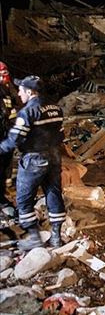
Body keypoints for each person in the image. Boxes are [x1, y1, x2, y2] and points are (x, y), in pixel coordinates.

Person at [0, 76, 65, 250]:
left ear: (30, 92)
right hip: (55, 157)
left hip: (34, 159)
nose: (19, 93)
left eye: (21, 90)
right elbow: (61, 134)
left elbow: (15, 139)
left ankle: (34, 237)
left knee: (24, 199)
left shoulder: (28, 112)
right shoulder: (55, 108)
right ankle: (56, 237)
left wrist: (1, 148)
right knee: (53, 193)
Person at [0, 63, 20, 212]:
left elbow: (16, 104)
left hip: (7, 132)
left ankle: (4, 189)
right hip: (3, 132)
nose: (4, 77)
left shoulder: (7, 88)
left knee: (6, 163)